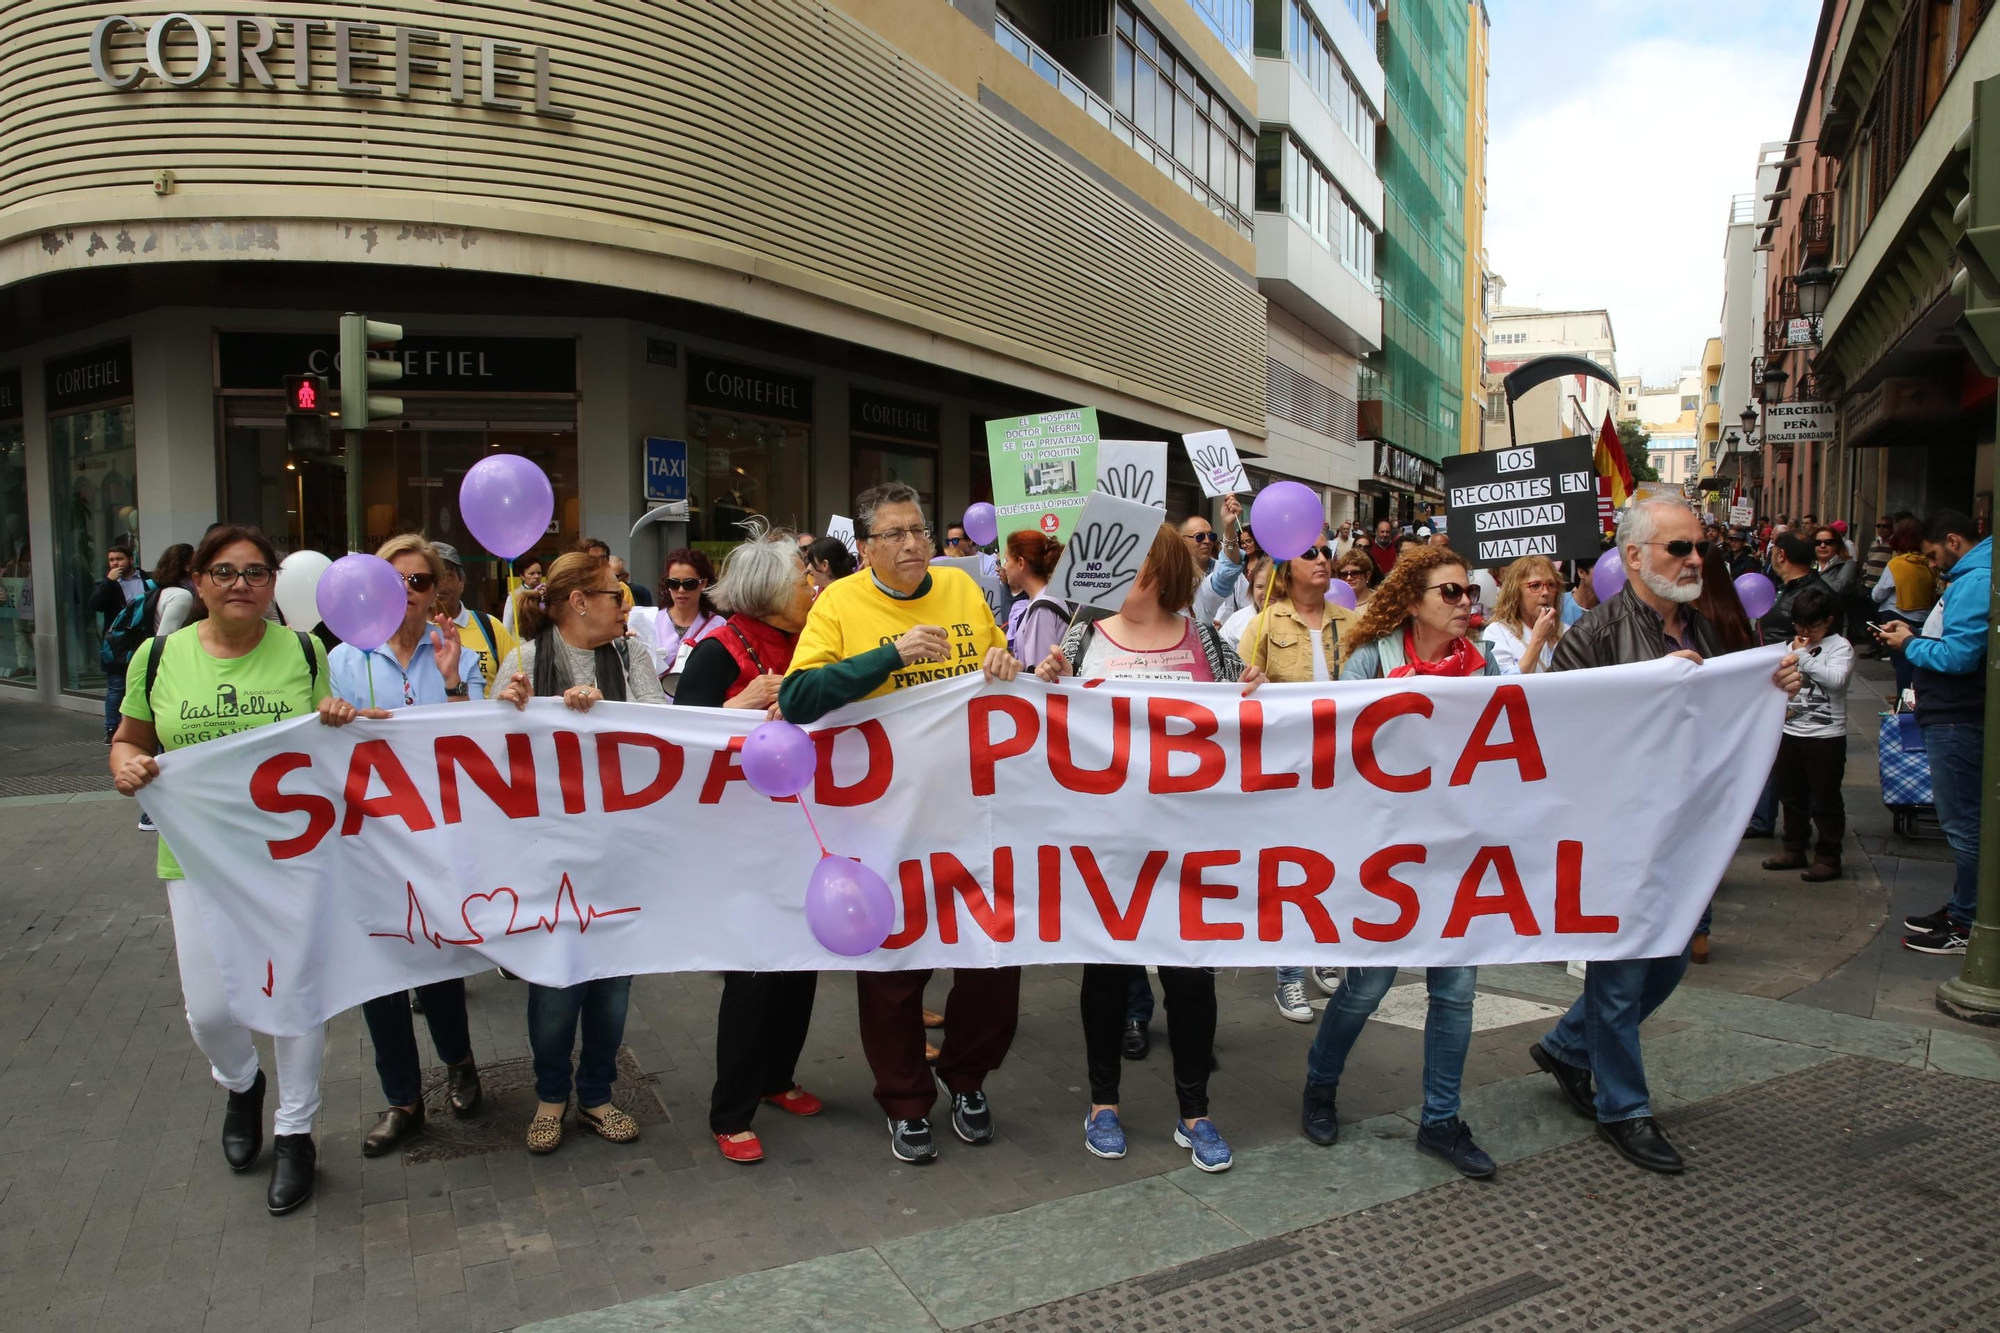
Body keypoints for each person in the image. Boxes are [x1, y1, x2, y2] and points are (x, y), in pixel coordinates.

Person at [1528, 500, 1801, 1175]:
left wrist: (1773, 687)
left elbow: (1730, 713)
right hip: (1621, 832)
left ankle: (1567, 1045)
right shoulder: (1592, 635)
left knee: (1672, 960)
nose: (1695, 560)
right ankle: (1624, 1108)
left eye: (1698, 548)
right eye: (1679, 548)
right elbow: (1559, 734)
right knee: (1621, 977)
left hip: (1688, 829)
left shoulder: (1711, 627)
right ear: (1634, 557)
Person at [110, 525, 355, 1216]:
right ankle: (242, 1081)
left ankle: (296, 1129)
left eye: (254, 571)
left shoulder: (307, 651)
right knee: (212, 1009)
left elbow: (327, 737)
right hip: (196, 857)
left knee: (298, 995)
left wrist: (334, 714)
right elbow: (129, 737)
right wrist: (125, 766)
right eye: (224, 571)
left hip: (291, 853)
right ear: (197, 580)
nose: (240, 582)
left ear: (274, 582)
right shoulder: (158, 656)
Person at [780, 481, 1024, 1164]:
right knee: (892, 971)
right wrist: (889, 656)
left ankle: (967, 1077)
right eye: (894, 534)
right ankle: (907, 1099)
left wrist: (1006, 663)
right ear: (864, 548)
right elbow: (799, 696)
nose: (914, 543)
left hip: (972, 817)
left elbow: (999, 664)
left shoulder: (964, 592)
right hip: (883, 826)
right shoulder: (839, 604)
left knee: (994, 962)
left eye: (918, 529)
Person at [1032, 523, 1265, 1172]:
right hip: (1107, 844)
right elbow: (1042, 730)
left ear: (1158, 575)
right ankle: (1102, 1103)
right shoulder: (1080, 640)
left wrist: (1256, 693)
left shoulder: (1205, 642)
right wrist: (1040, 681)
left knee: (1191, 978)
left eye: (1125, 567)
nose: (1106, 578)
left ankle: (1196, 1111)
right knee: (1106, 974)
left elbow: (1240, 724)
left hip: (1188, 844)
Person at [1300, 546, 1501, 1178]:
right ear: (1412, 601)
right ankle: (1319, 1085)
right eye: (1449, 593)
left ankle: (1441, 1118)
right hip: (1384, 851)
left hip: (1455, 848)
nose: (1466, 603)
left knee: (1457, 988)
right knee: (1369, 984)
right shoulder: (1370, 661)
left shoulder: (1485, 664)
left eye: (1468, 591)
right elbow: (1339, 749)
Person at [494, 552, 665, 1151]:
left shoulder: (631, 654)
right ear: (578, 602)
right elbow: (491, 754)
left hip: (617, 851)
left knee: (612, 989)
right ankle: (550, 1095)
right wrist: (509, 708)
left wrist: (609, 715)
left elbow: (662, 733)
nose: (627, 605)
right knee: (555, 987)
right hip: (549, 857)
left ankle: (596, 1094)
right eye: (615, 595)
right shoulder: (523, 659)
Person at [330, 535, 486, 1159]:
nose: (408, 593)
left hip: (438, 837)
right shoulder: (342, 659)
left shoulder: (458, 653)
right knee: (379, 972)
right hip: (368, 840)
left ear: (437, 591)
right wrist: (330, 715)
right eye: (394, 581)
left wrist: (450, 682)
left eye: (420, 582)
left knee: (438, 961)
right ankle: (402, 1099)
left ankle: (459, 1060)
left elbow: (478, 747)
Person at [1237, 538, 1352, 1020]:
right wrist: (1249, 684)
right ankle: (1288, 977)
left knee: (1334, 865)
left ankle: (1323, 952)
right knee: (1292, 871)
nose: (1322, 559)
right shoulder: (1263, 622)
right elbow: (1236, 690)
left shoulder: (1353, 622)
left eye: (1326, 551)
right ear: (1286, 570)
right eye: (1309, 554)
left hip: (1341, 767)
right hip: (1286, 768)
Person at [1878, 510, 1990, 956]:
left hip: (1958, 716)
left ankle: (1969, 922)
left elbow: (1959, 657)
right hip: (1952, 713)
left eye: (1931, 555)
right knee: (1964, 824)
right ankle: (1965, 909)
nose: (1931, 564)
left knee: (1964, 826)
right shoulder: (1971, 577)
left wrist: (1909, 644)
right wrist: (1918, 633)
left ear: (1952, 540)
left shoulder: (1976, 580)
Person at [1761, 587, 1852, 883]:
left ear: (1828, 621)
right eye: (1799, 625)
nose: (1805, 632)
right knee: (1791, 794)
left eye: (1812, 626)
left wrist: (1803, 657)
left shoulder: (1840, 647)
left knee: (1825, 797)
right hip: (1790, 730)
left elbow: (1836, 681)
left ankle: (1828, 856)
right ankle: (1793, 847)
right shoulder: (1793, 645)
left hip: (1826, 735)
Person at [433, 541, 517, 701]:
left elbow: (518, 677)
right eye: (434, 578)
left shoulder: (490, 627)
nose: (441, 585)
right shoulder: (416, 635)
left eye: (448, 576)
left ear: (462, 581)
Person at [91, 540, 151, 741]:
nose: (115, 563)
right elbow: (95, 605)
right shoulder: (106, 584)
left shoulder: (147, 579)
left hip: (144, 637)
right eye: (111, 560)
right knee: (117, 685)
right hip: (118, 642)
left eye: (119, 559)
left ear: (131, 559)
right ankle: (111, 727)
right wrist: (109, 582)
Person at [1872, 517, 1938, 695]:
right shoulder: (1929, 563)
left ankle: (1905, 705)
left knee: (1902, 665)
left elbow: (1878, 594)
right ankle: (1914, 699)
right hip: (1924, 618)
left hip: (1896, 617)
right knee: (1918, 663)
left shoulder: (1897, 564)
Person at [646, 548, 723, 698]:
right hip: (657, 709)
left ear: (703, 583)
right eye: (673, 583)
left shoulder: (719, 626)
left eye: (689, 584)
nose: (681, 590)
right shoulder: (650, 621)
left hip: (699, 707)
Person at [1481, 556, 1565, 674]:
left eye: (1551, 585)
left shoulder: (1567, 631)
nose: (1546, 592)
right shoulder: (1497, 632)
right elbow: (1506, 686)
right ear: (1515, 592)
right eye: (1535, 585)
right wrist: (1538, 640)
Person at [1002, 530, 1069, 667]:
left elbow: (1039, 670)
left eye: (1007, 560)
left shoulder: (1042, 608)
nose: (1004, 566)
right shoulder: (1044, 600)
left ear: (1021, 563)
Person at [1179, 496, 1247, 624]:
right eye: (1199, 537)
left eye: (1211, 536)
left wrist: (1228, 525)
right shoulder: (1171, 578)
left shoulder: (1233, 576)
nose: (1207, 541)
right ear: (1182, 540)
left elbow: (1249, 611)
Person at [1217, 554, 1272, 647]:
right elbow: (1221, 653)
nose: (1266, 593)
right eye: (1259, 587)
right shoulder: (1237, 619)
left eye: (1272, 586)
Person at [576, 537, 634, 608]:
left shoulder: (620, 588)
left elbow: (627, 616)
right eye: (592, 559)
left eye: (603, 558)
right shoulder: (570, 588)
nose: (599, 562)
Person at [501, 554, 545, 635]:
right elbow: (506, 627)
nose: (536, 576)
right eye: (531, 574)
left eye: (539, 573)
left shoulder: (546, 593)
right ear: (522, 575)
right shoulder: (514, 596)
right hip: (521, 643)